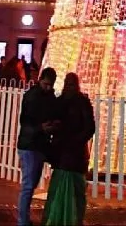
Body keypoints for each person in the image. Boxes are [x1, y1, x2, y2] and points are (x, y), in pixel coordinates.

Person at [43, 73, 95, 226]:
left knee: (70, 189)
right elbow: (89, 127)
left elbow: (89, 127)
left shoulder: (76, 102)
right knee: (70, 190)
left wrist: (73, 141)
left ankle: (66, 218)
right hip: (67, 153)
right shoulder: (72, 102)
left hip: (69, 152)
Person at [17, 67, 57, 226]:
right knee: (28, 185)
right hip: (30, 145)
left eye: (50, 85)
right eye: (46, 84)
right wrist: (41, 128)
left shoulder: (47, 96)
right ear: (41, 80)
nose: (48, 87)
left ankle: (24, 219)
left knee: (31, 184)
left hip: (37, 145)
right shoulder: (33, 97)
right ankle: (22, 221)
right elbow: (25, 122)